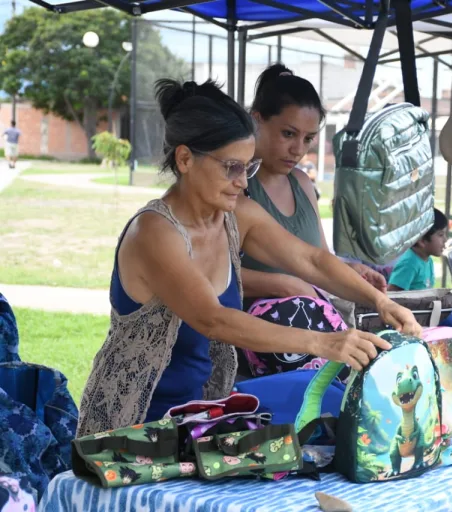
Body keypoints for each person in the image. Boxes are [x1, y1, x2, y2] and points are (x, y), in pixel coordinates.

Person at [76, 79, 421, 437]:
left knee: (321, 408)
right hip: (132, 425)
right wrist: (323, 342)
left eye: (248, 167)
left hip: (198, 414)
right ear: (185, 159)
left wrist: (380, 301)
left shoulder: (235, 215)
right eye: (232, 167)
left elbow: (312, 261)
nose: (243, 182)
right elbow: (213, 319)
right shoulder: (154, 232)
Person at [241, 63, 386, 309]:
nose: (298, 149)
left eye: (308, 138)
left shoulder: (302, 183)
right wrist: (282, 285)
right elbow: (210, 271)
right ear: (257, 120)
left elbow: (319, 258)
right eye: (288, 134)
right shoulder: (235, 184)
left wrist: (349, 270)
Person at [388, 208, 448, 292]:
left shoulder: (428, 261)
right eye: (441, 235)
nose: (445, 239)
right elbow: (392, 294)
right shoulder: (409, 263)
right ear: (422, 240)